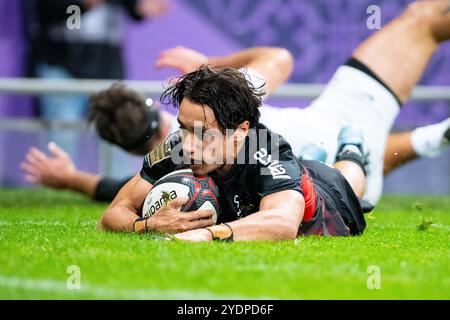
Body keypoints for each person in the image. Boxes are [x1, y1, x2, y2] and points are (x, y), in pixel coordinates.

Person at [97, 66, 371, 240]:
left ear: (240, 131)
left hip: (326, 196)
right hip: (290, 177)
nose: (188, 145)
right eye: (183, 128)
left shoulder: (267, 150)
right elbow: (111, 215)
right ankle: (312, 155)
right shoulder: (176, 148)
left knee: (349, 180)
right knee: (301, 168)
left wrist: (209, 234)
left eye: (203, 133)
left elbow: (284, 222)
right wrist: (147, 226)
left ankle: (352, 147)